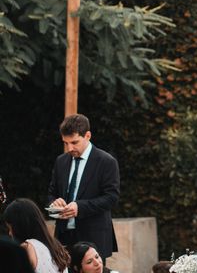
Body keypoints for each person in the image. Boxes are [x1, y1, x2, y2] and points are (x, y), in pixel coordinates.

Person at [47, 114, 120, 261]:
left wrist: (80, 207)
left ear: (87, 135)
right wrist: (54, 203)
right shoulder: (61, 161)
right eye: (66, 143)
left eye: (74, 142)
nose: (69, 148)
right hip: (63, 238)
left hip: (93, 238)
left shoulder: (106, 161)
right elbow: (51, 193)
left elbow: (111, 198)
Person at [3, 198, 70, 273]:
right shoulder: (56, 246)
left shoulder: (26, 248)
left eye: (10, 228)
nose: (9, 233)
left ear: (19, 226)